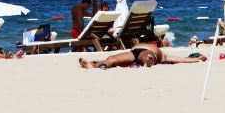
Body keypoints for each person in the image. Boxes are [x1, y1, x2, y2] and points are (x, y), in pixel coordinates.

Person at [78, 42, 206, 70]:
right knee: (113, 58)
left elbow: (182, 60)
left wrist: (196, 59)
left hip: (147, 54)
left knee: (147, 55)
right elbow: (181, 59)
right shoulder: (164, 54)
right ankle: (98, 65)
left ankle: (148, 61)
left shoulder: (165, 56)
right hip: (134, 53)